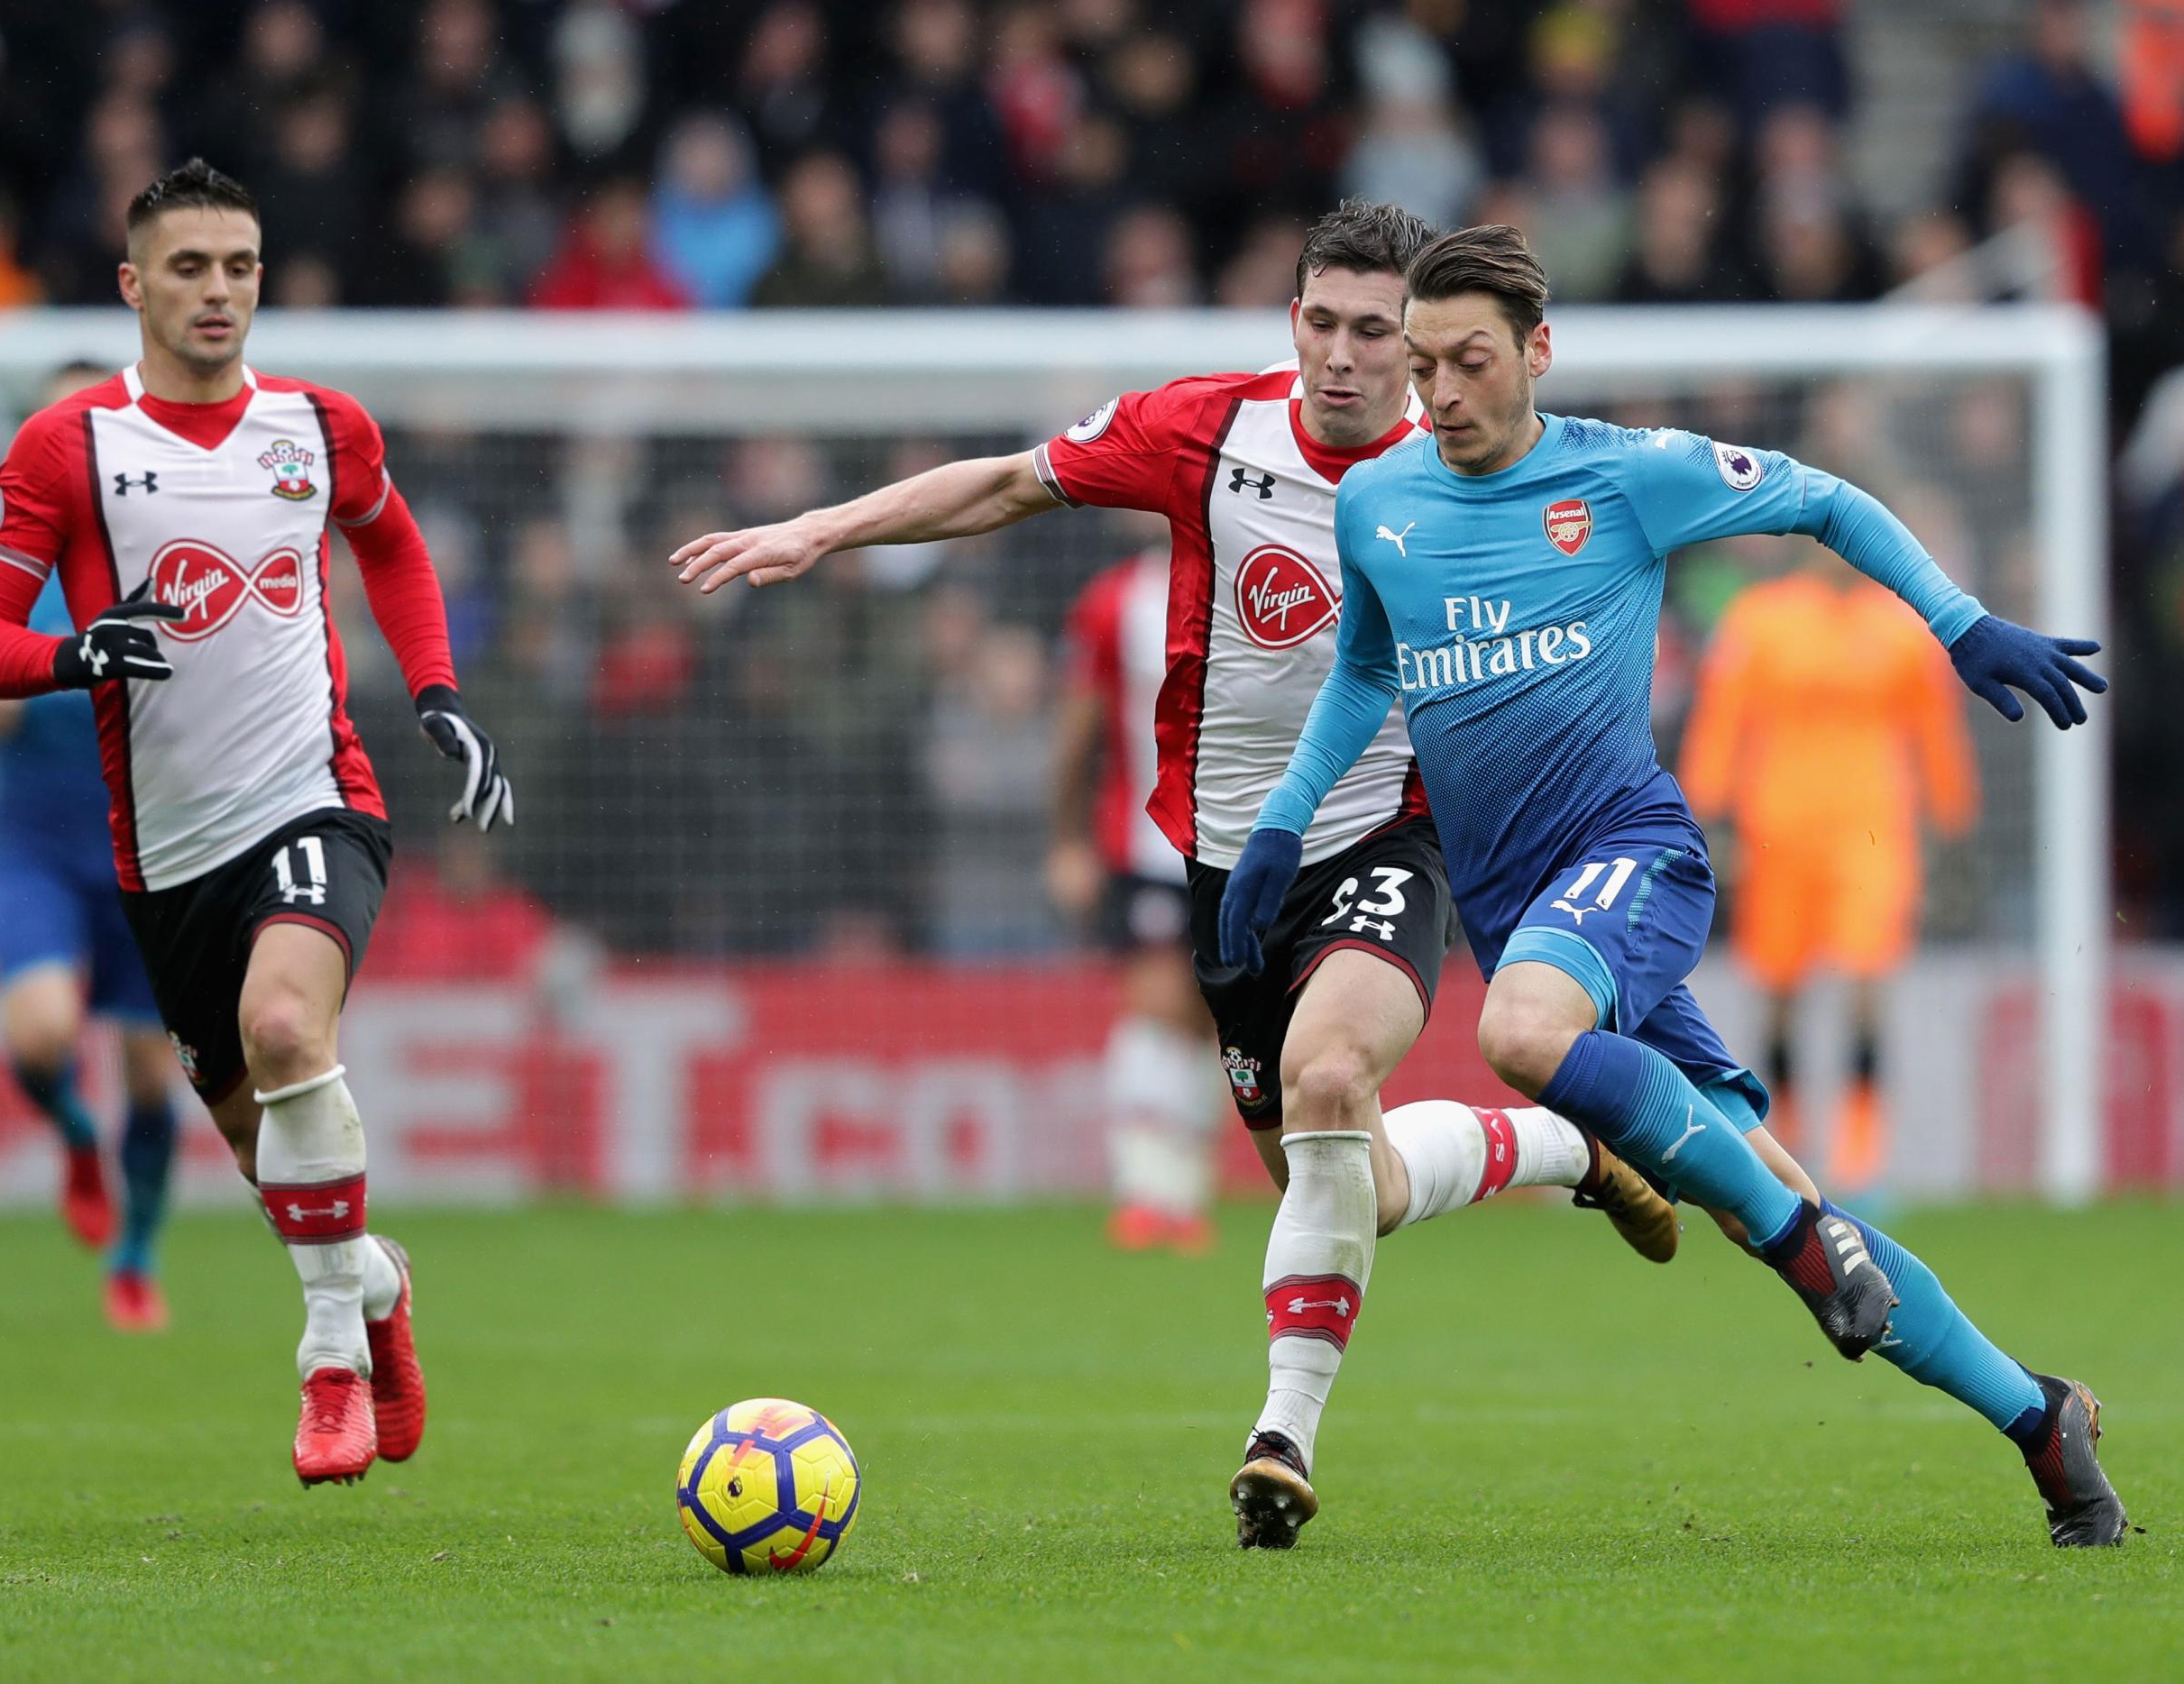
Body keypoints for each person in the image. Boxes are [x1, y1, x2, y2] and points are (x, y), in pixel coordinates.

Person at [672, 200, 1682, 1547]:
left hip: (1390, 836)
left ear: (1423, 346)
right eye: (1319, 322)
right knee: (1346, 1181)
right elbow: (1012, 481)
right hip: (1225, 867)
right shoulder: (1207, 431)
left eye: (1373, 332)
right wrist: (824, 530)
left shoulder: (1475, 475)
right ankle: (1554, 1147)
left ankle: (1282, 1439)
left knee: (1332, 1077)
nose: (1340, 355)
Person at [1222, 223, 2124, 1548]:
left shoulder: (1628, 475)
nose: (1442, 394)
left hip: (1631, 857)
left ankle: (1802, 1245)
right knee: (1787, 1207)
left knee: (1523, 1038)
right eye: (1423, 367)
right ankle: (2043, 1422)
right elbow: (1366, 665)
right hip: (1532, 912)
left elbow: (1825, 497)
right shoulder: (1382, 502)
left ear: (1537, 351)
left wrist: (1957, 621)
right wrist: (1279, 829)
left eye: (1469, 362)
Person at [0, 159, 516, 1487]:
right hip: (165, 855)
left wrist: (435, 692)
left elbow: (394, 545)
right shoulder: (68, 446)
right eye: (191, 268)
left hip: (318, 797)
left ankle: (330, 1362)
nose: (219, 292)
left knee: (284, 1026)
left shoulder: (320, 426)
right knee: (278, 1171)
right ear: (135, 285)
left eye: (241, 267)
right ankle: (376, 1287)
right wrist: (75, 653)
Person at [0, 362, 180, 1332]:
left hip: (151, 842)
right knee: (40, 1034)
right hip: (37, 837)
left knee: (153, 1072)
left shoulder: (166, 542)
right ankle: (78, 1136)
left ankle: (137, 1256)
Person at [1679, 545, 1979, 1194]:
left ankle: (1860, 1157)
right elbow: (1723, 719)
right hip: (1777, 831)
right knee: (1779, 990)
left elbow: (1934, 726)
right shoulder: (1760, 621)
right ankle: (1791, 1149)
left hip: (1872, 831)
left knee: (1867, 979)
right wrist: (1704, 812)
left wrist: (1954, 819)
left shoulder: (1900, 628)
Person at [1050, 543, 1224, 1254]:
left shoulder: (1267, 577)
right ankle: (1148, 1192)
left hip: (1251, 847)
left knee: (1217, 1020)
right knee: (1157, 1007)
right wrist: (1066, 840)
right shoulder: (1114, 601)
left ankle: (1181, 1192)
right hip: (1148, 843)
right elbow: (1078, 729)